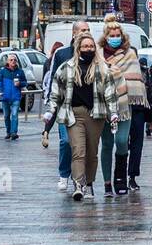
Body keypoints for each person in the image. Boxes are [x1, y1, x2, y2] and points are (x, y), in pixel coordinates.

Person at [43, 32, 120, 201]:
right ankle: (79, 184)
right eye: (85, 46)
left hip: (96, 115)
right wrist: (50, 110)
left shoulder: (102, 68)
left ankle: (89, 183)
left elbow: (110, 93)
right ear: (78, 48)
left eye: (91, 46)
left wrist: (113, 113)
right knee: (78, 151)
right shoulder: (66, 67)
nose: (88, 49)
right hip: (74, 114)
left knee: (92, 153)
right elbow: (56, 92)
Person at [100, 17, 149, 195]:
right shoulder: (98, 54)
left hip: (124, 105)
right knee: (106, 144)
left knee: (121, 141)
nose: (115, 37)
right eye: (112, 35)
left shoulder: (130, 54)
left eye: (118, 34)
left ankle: (120, 177)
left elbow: (137, 79)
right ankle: (107, 184)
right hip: (104, 105)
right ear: (105, 36)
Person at [43, 23, 87, 193]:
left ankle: (80, 177)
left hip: (85, 106)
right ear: (74, 33)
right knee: (67, 141)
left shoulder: (91, 52)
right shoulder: (62, 54)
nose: (86, 33)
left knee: (82, 144)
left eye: (88, 30)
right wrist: (50, 108)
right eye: (83, 30)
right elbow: (53, 79)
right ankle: (64, 173)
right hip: (64, 106)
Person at [0, 53, 27, 141]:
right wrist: (0, 92)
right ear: (7, 62)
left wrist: (20, 83)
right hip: (5, 97)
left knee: (14, 115)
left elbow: (25, 82)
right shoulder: (2, 71)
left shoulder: (20, 72)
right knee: (6, 116)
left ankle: (14, 133)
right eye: (11, 60)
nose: (13, 61)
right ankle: (8, 132)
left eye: (14, 60)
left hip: (16, 97)